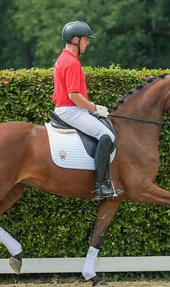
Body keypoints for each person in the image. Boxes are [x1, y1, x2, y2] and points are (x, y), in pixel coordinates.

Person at [52, 21, 123, 200]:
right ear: (76, 40)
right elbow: (74, 95)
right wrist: (95, 108)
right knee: (107, 136)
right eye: (85, 40)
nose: (88, 43)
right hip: (71, 110)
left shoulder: (63, 59)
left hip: (67, 109)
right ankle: (100, 187)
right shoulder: (72, 62)